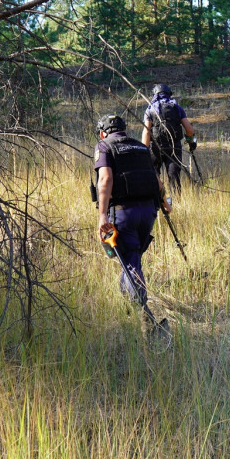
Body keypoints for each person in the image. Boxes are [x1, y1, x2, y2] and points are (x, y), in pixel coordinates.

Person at [93, 114, 170, 320]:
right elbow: (157, 181)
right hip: (148, 213)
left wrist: (102, 216)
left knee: (130, 262)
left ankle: (144, 316)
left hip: (123, 213)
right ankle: (128, 303)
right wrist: (165, 203)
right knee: (132, 259)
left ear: (102, 133)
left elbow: (105, 179)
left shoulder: (104, 146)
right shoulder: (140, 147)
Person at [142, 83, 196, 193]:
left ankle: (158, 203)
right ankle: (176, 204)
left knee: (153, 176)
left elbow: (146, 132)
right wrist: (192, 143)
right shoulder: (177, 108)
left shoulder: (150, 109)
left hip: (155, 147)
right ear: (169, 94)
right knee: (174, 177)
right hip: (174, 148)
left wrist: (144, 151)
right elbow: (189, 130)